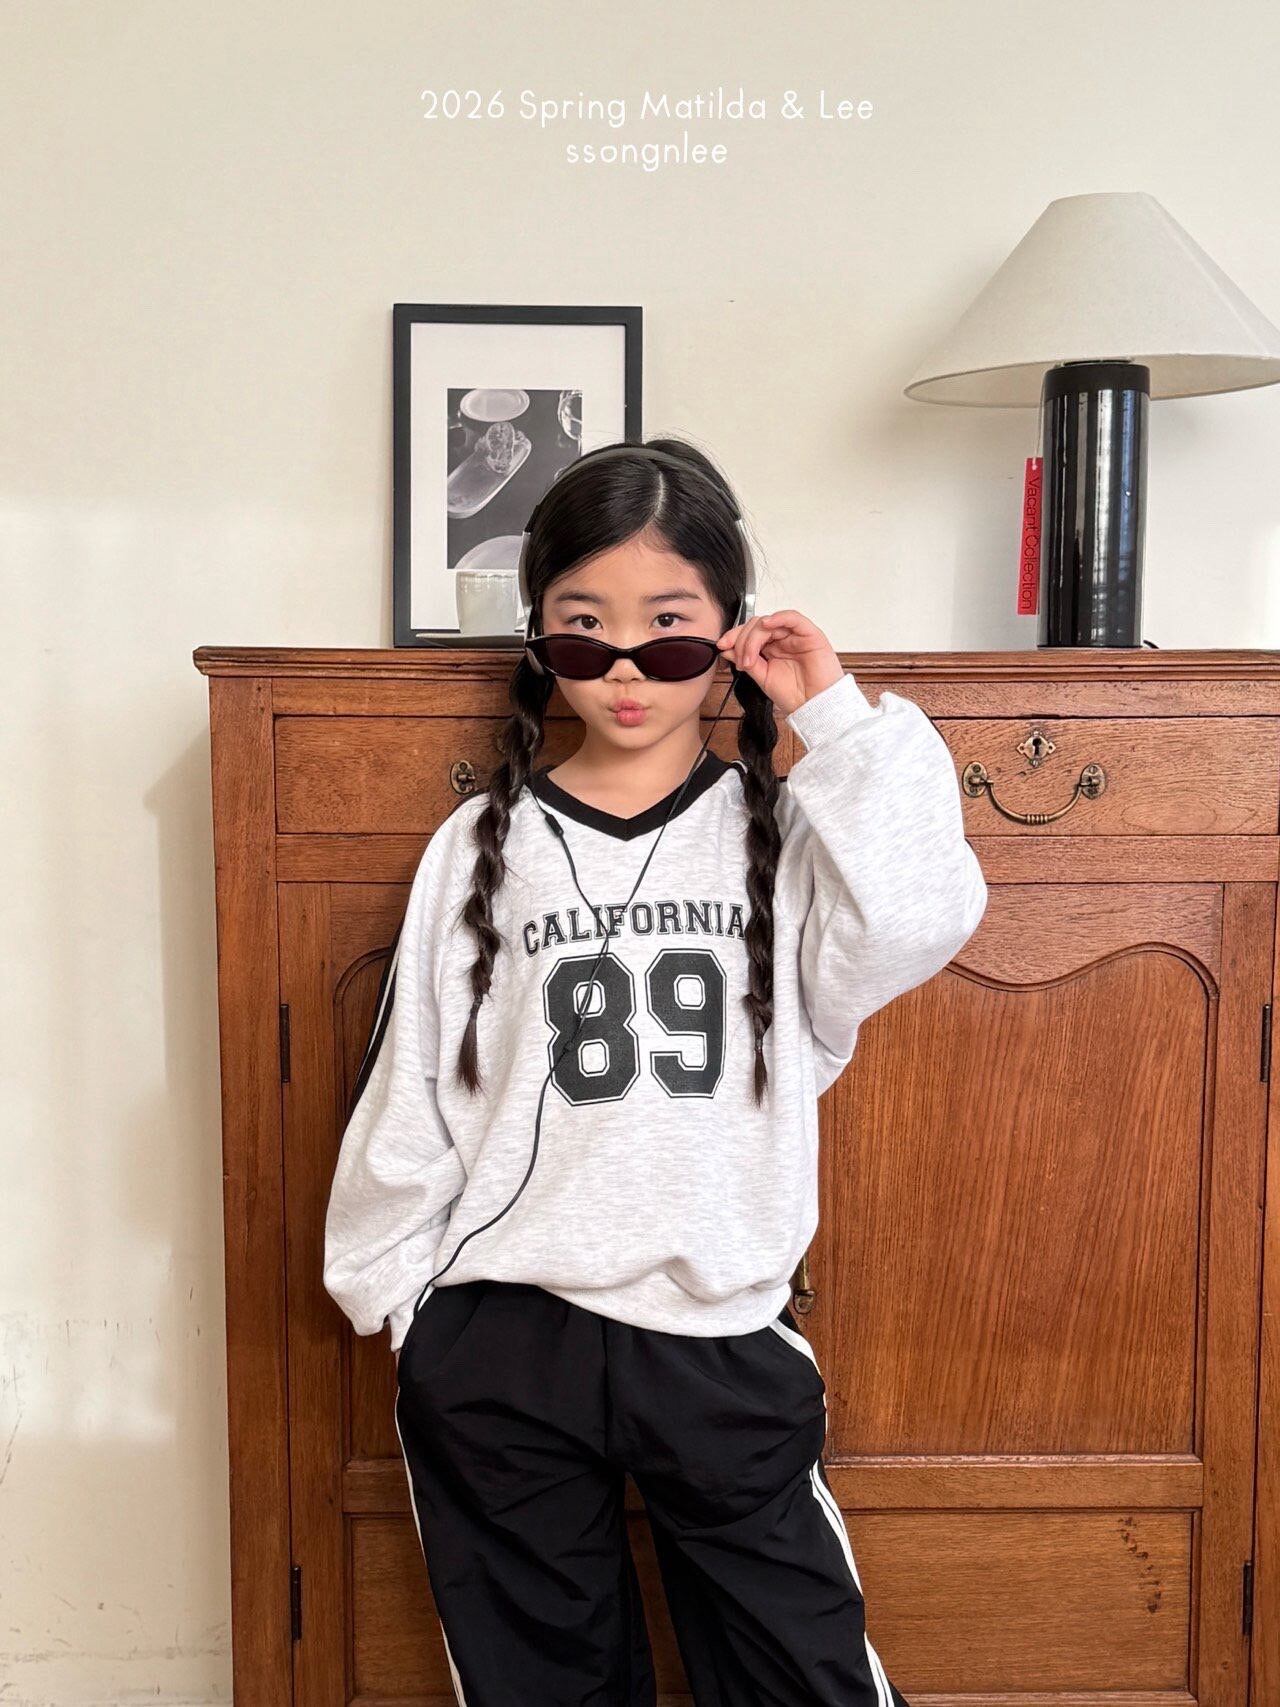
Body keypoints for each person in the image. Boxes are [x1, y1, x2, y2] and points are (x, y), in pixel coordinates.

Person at [323, 437, 988, 1706]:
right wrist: (400, 1302)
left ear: (730, 632)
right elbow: (415, 1080)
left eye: (669, 629)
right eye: (584, 629)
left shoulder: (790, 836)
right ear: (538, 637)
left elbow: (919, 918)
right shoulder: (479, 844)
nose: (624, 669)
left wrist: (833, 719)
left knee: (801, 1675)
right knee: (541, 1682)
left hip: (717, 1332)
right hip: (502, 1336)